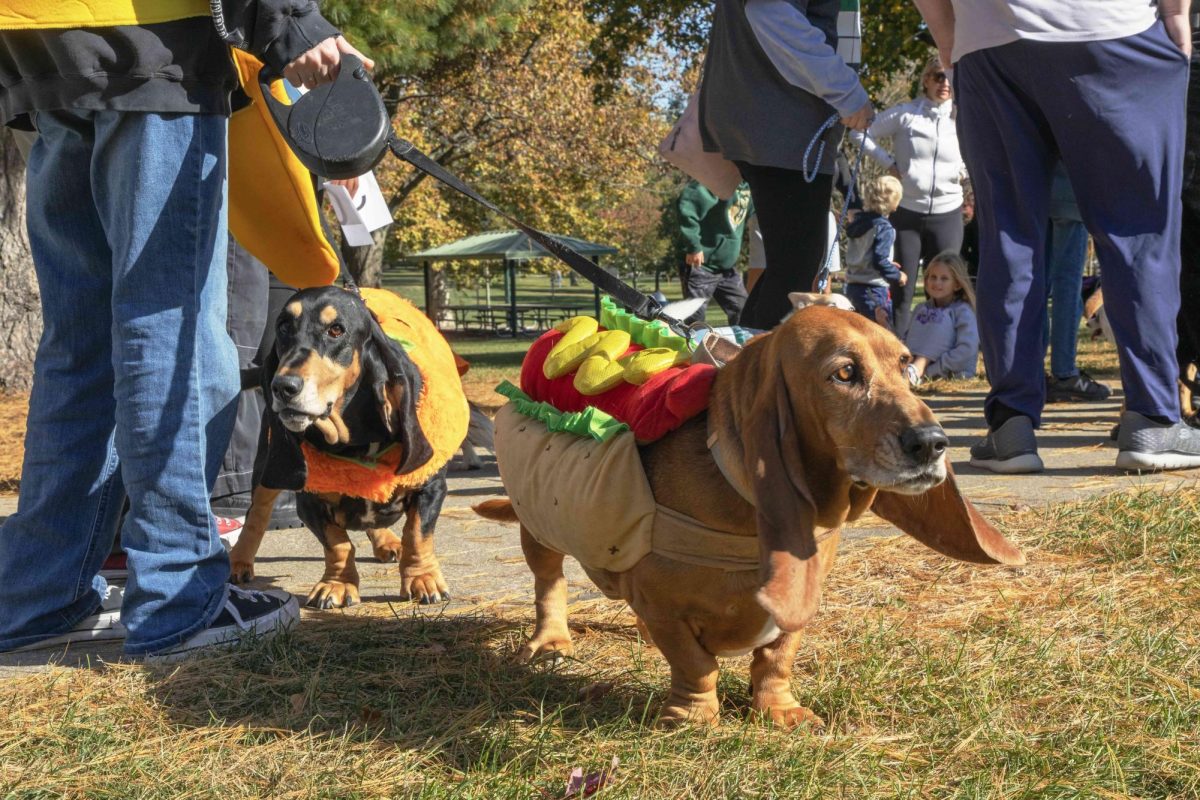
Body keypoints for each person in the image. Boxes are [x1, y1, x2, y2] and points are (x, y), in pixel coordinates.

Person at [0, 0, 371, 660]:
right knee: (168, 327)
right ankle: (178, 601)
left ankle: (36, 596)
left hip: (37, 41)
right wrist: (290, 22)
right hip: (154, 42)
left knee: (80, 341)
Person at [912, 0, 1200, 474]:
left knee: (1008, 233)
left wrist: (952, 44)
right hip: (1112, 30)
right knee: (1137, 230)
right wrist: (1175, 14)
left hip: (986, 40)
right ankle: (1151, 415)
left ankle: (1011, 427)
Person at [698, 0, 873, 329]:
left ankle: (745, 369)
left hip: (771, 124)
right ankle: (758, 377)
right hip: (784, 127)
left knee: (788, 268)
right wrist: (846, 91)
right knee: (795, 273)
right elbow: (770, 11)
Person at [853, 55, 965, 334]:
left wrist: (964, 171)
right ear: (926, 80)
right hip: (907, 213)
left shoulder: (963, 118)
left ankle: (939, 347)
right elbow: (859, 132)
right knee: (900, 288)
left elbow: (984, 147)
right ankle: (898, 350)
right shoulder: (906, 114)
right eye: (939, 76)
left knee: (944, 287)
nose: (945, 84)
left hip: (948, 212)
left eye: (951, 77)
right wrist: (889, 163)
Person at [1043, 162, 1111, 403]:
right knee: (1067, 286)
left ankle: (1031, 373)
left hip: (1035, 192)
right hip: (1069, 193)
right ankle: (1064, 374)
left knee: (1036, 285)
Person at [677, 179, 754, 324]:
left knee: (743, 309)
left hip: (726, 268)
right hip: (701, 265)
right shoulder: (715, 177)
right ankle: (692, 345)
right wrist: (694, 247)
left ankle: (740, 345)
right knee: (695, 317)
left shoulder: (748, 187)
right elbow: (687, 209)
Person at [904, 251, 979, 384]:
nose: (937, 283)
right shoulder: (920, 308)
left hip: (952, 370)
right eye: (933, 277)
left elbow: (967, 349)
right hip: (915, 365)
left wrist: (931, 370)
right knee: (924, 313)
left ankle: (919, 367)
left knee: (941, 318)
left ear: (957, 284)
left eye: (944, 279)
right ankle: (911, 368)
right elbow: (907, 338)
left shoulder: (963, 311)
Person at [844, 175, 905, 328]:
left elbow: (866, 255)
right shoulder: (884, 228)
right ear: (894, 203)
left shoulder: (858, 222)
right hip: (874, 290)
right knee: (880, 333)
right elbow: (879, 260)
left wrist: (888, 264)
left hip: (851, 286)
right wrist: (897, 275)